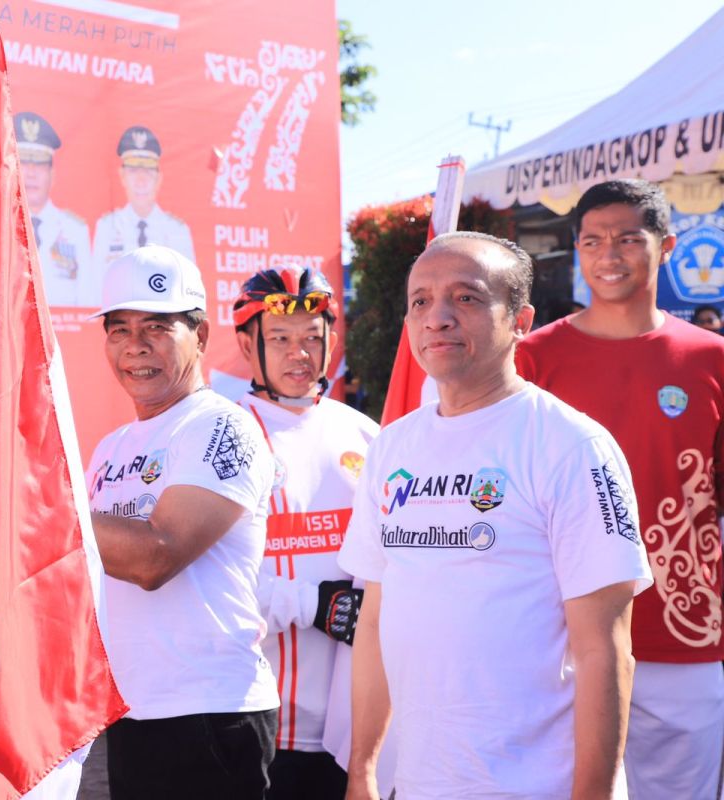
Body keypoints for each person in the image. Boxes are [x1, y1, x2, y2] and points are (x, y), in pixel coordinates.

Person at [340, 231, 652, 799]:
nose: (437, 318)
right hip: (417, 784)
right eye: (420, 301)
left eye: (466, 297)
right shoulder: (391, 448)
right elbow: (375, 623)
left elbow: (604, 649)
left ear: (521, 320)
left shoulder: (572, 445)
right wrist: (363, 768)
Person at [517, 179, 724, 799]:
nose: (609, 254)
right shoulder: (530, 360)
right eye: (593, 240)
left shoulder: (712, 359)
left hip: (684, 638)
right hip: (555, 640)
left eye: (629, 239)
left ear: (665, 247)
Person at [85, 245, 278, 799]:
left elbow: (155, 557)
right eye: (118, 329)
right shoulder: (111, 446)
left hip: (209, 717)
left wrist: (44, 501)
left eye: (157, 326)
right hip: (134, 711)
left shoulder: (223, 428)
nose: (135, 347)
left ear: (201, 334)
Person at [231, 268, 379, 799]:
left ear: (332, 342)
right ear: (248, 346)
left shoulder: (365, 433)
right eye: (281, 339)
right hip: (257, 720)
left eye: (313, 339)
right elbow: (206, 581)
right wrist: (311, 603)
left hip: (349, 725)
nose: (301, 354)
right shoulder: (224, 434)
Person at [91, 126, 195, 296]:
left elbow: (190, 292)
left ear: (159, 177)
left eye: (147, 171)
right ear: (122, 175)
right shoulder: (106, 226)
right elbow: (95, 291)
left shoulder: (178, 230)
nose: (141, 181)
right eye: (133, 171)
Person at [15, 111, 94, 306]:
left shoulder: (75, 230)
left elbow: (85, 299)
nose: (31, 173)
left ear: (52, 173)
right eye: (24, 162)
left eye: (40, 164)